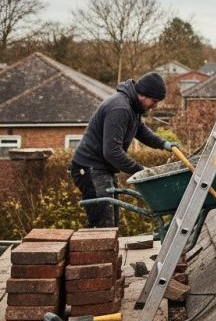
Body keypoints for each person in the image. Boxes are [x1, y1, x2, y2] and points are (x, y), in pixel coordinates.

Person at [70, 72, 178, 227]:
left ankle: (105, 249)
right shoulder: (120, 108)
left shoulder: (133, 107)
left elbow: (140, 130)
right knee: (102, 224)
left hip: (101, 168)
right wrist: (140, 171)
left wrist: (165, 144)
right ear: (143, 94)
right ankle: (96, 250)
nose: (155, 106)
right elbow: (112, 152)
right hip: (89, 169)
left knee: (111, 222)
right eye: (154, 101)